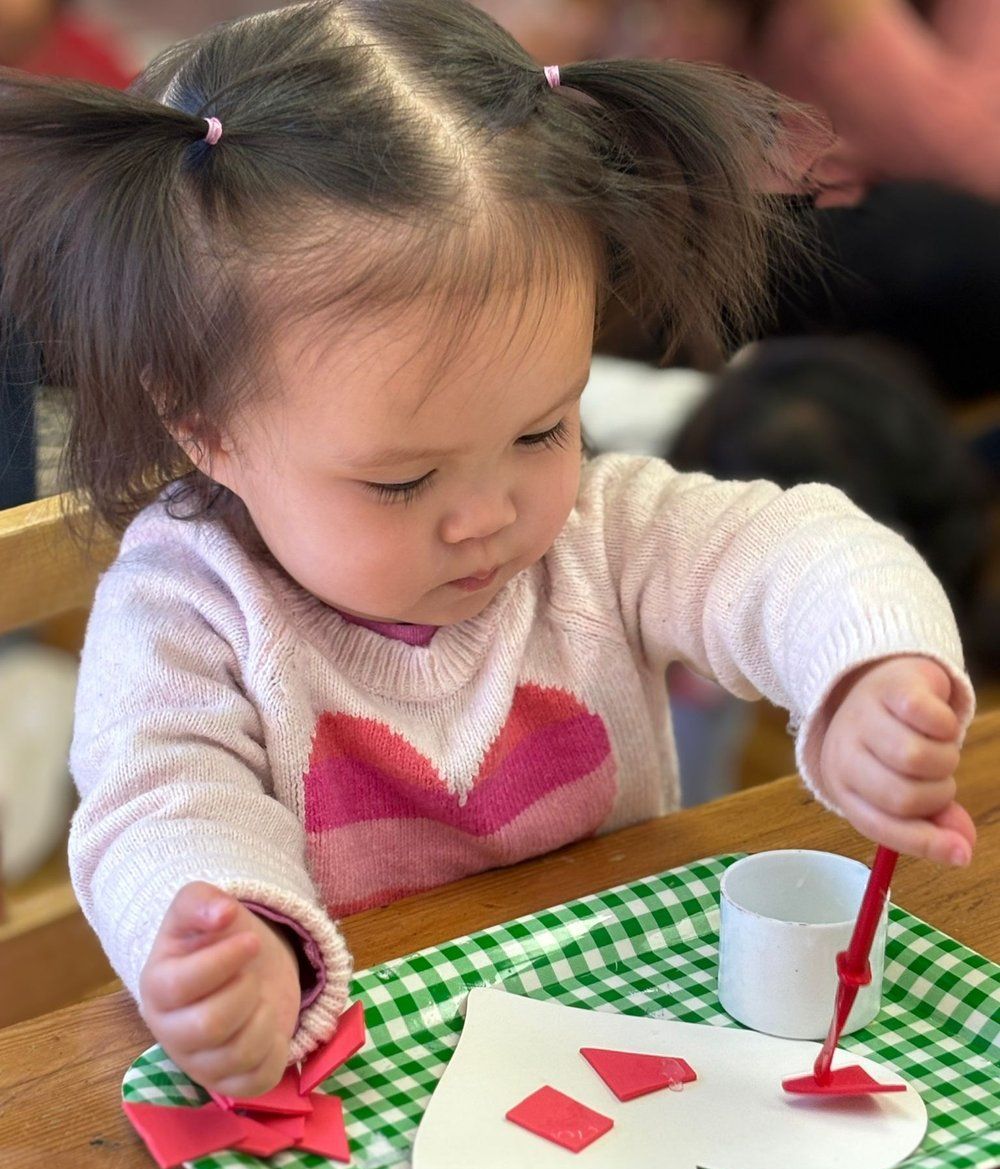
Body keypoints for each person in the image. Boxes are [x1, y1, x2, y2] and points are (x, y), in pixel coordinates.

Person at [0, 0, 976, 1101]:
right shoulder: (186, 610)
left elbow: (790, 550)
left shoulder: (597, 536)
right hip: (367, 1070)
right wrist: (234, 949)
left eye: (540, 429)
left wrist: (863, 674)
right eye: (401, 480)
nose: (487, 517)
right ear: (201, 425)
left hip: (623, 1039)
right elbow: (161, 801)